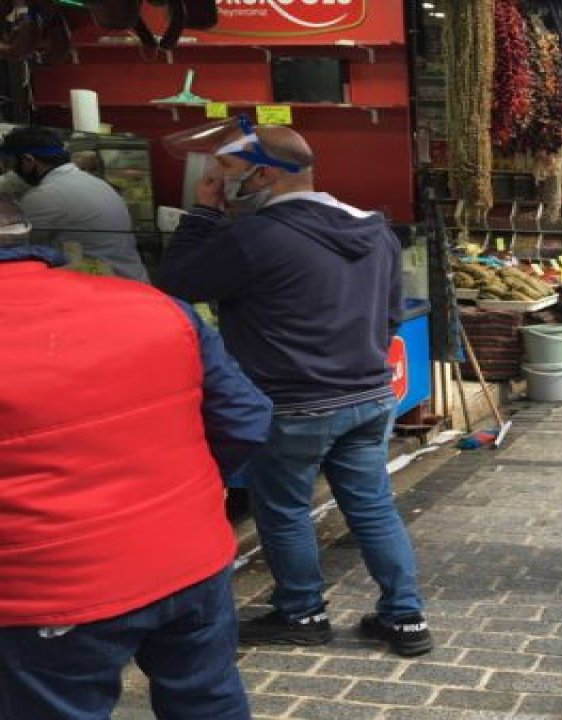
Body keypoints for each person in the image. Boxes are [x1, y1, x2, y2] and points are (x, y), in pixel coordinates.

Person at [157, 124, 432, 657]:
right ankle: (405, 618)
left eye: (229, 172)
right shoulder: (376, 230)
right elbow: (391, 315)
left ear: (263, 174)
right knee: (372, 506)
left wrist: (204, 212)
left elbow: (176, 284)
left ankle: (302, 611)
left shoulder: (253, 237)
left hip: (292, 403)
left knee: (282, 509)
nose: (219, 180)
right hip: (369, 396)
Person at [0, 197, 272, 719]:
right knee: (207, 700)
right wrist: (190, 484)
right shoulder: (154, 305)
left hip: (50, 589)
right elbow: (246, 418)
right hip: (189, 557)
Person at [0, 126, 148, 282]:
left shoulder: (45, 196)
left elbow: (11, 245)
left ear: (28, 161)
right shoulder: (92, 182)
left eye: (10, 164)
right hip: (130, 280)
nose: (11, 171)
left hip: (103, 288)